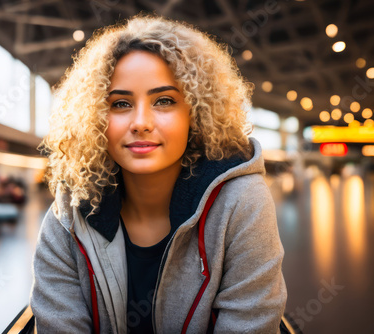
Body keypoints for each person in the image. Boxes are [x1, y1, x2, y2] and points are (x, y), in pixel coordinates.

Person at [30, 13, 287, 333]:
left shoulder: (242, 202)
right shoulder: (67, 217)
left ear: (195, 113)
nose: (140, 122)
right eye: (121, 104)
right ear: (97, 119)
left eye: (164, 101)